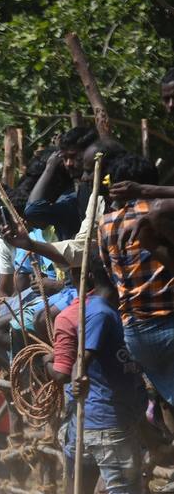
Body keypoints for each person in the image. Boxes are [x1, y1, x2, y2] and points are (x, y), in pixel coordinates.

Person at [42, 261, 148, 494]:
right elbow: (81, 362)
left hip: (101, 420)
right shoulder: (100, 313)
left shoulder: (99, 312)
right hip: (107, 421)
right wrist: (74, 370)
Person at [96, 153, 174, 405]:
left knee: (165, 397)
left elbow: (111, 273)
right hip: (170, 320)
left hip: (137, 332)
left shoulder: (106, 224)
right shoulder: (163, 214)